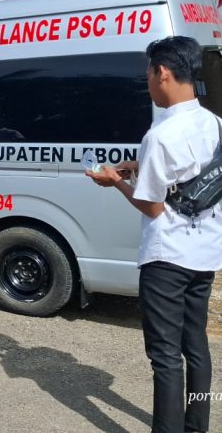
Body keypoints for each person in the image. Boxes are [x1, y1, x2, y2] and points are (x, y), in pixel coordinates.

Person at [87, 36, 222, 433]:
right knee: (196, 347)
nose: (147, 81)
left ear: (162, 73)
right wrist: (138, 165)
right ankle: (197, 426)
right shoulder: (216, 123)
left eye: (148, 74)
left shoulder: (159, 136)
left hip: (166, 258)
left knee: (165, 356)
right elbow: (192, 172)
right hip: (205, 252)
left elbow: (152, 207)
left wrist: (115, 181)